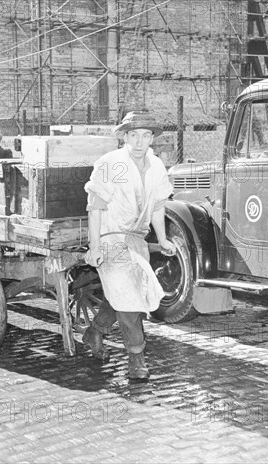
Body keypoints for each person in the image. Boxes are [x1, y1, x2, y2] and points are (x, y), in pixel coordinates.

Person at [83, 111, 175, 380]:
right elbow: (95, 208)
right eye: (133, 135)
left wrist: (163, 238)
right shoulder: (110, 163)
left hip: (136, 240)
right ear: (124, 136)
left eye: (145, 135)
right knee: (129, 300)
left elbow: (158, 205)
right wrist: (95, 246)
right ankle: (136, 359)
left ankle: (94, 332)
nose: (139, 141)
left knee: (126, 294)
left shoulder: (156, 166)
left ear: (152, 139)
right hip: (111, 237)